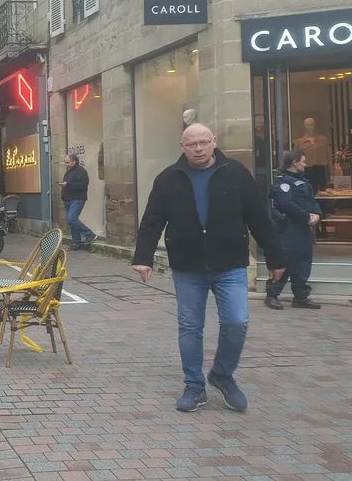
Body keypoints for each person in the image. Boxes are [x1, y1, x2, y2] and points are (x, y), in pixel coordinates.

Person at [133, 123, 285, 413]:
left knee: (237, 322)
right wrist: (143, 257)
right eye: (192, 144)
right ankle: (194, 385)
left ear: (214, 142)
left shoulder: (237, 173)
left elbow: (258, 217)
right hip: (188, 266)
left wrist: (276, 258)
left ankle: (222, 374)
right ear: (182, 146)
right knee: (190, 327)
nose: (199, 148)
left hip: (230, 264)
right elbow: (152, 220)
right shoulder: (169, 178)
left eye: (204, 142)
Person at [267, 150, 322, 311]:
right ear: (295, 162)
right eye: (303, 161)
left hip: (303, 228)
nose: (305, 164)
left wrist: (317, 214)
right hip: (288, 228)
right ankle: (272, 294)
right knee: (286, 260)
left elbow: (312, 201)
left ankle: (301, 296)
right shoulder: (283, 183)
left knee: (303, 262)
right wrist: (307, 217)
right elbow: (287, 205)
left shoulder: (304, 181)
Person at [59, 154, 96, 250]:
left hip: (77, 198)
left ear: (73, 161)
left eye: (67, 162)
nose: (66, 164)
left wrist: (68, 184)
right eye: (65, 162)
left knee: (72, 219)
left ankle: (89, 234)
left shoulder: (81, 171)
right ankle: (76, 242)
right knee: (71, 222)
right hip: (68, 199)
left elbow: (83, 185)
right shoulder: (68, 173)